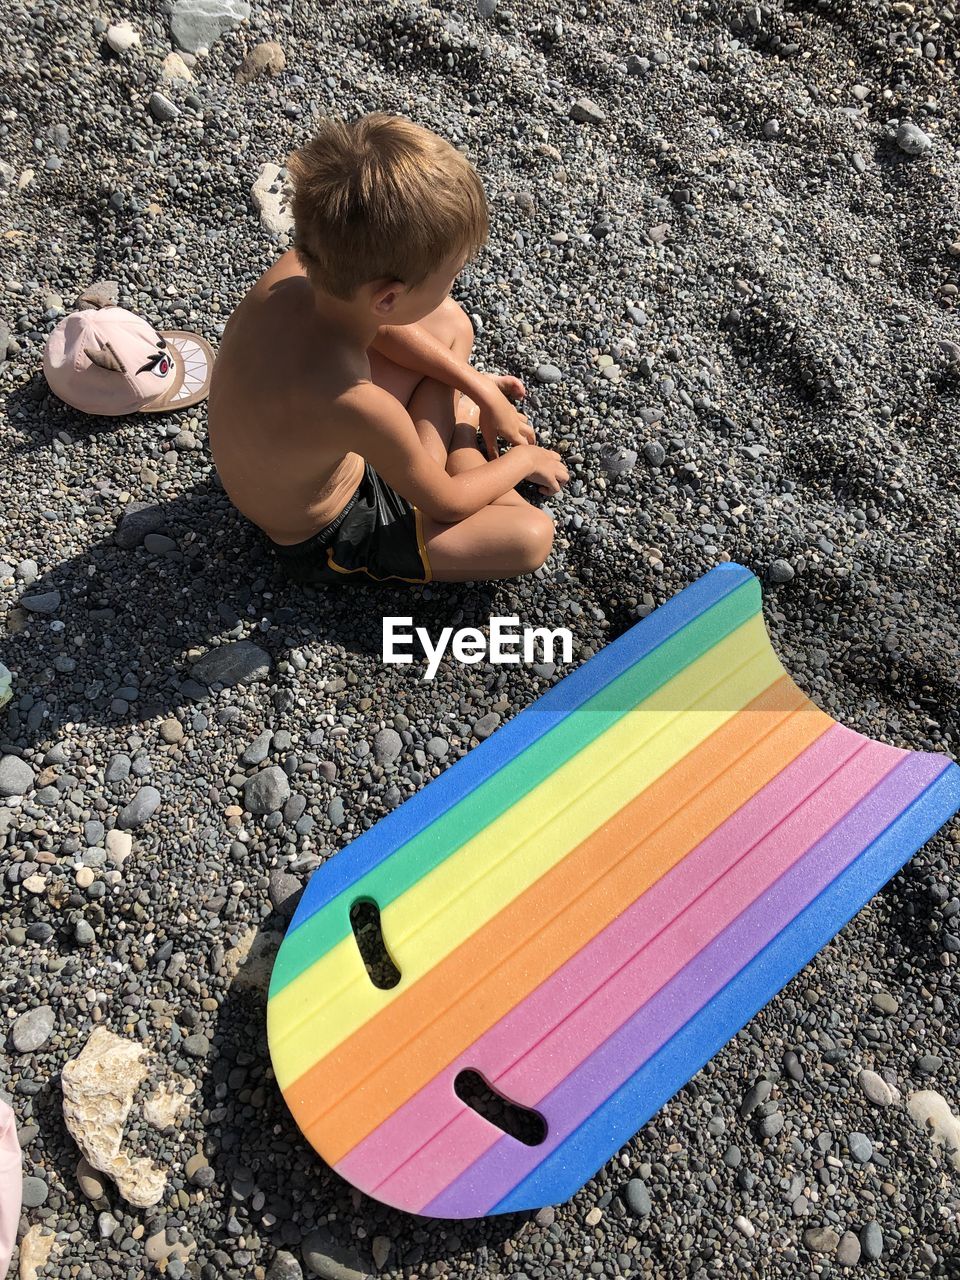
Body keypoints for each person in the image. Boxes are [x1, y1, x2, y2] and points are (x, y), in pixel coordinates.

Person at [207, 112, 569, 585]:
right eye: (453, 274)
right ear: (390, 298)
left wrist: (481, 388)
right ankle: (464, 439)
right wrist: (527, 459)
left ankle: (458, 420)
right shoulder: (354, 401)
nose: (456, 282)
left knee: (450, 323)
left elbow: (381, 328)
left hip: (318, 448)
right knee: (530, 535)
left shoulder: (295, 271)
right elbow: (447, 501)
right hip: (329, 525)